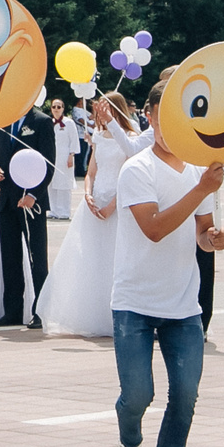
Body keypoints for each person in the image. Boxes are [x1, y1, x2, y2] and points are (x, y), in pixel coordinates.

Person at [100, 81, 224, 447]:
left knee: (186, 395)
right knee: (138, 394)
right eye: (162, 117)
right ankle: (129, 443)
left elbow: (201, 233)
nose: (169, 127)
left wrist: (215, 239)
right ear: (151, 117)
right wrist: (202, 189)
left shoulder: (197, 171)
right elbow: (154, 229)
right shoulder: (137, 168)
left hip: (183, 303)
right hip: (134, 301)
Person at [40, 91, 144, 338]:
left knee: (116, 258)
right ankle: (95, 313)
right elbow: (92, 171)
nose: (99, 113)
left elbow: (132, 176)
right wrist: (88, 194)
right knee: (92, 258)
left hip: (118, 203)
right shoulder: (98, 135)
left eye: (104, 109)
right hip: (96, 202)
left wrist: (112, 205)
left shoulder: (131, 138)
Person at [0, 101, 55, 328]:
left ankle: (41, 311)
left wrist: (34, 194)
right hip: (7, 199)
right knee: (9, 258)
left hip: (30, 201)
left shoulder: (41, 121)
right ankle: (12, 310)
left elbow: (48, 163)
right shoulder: (3, 123)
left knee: (36, 257)